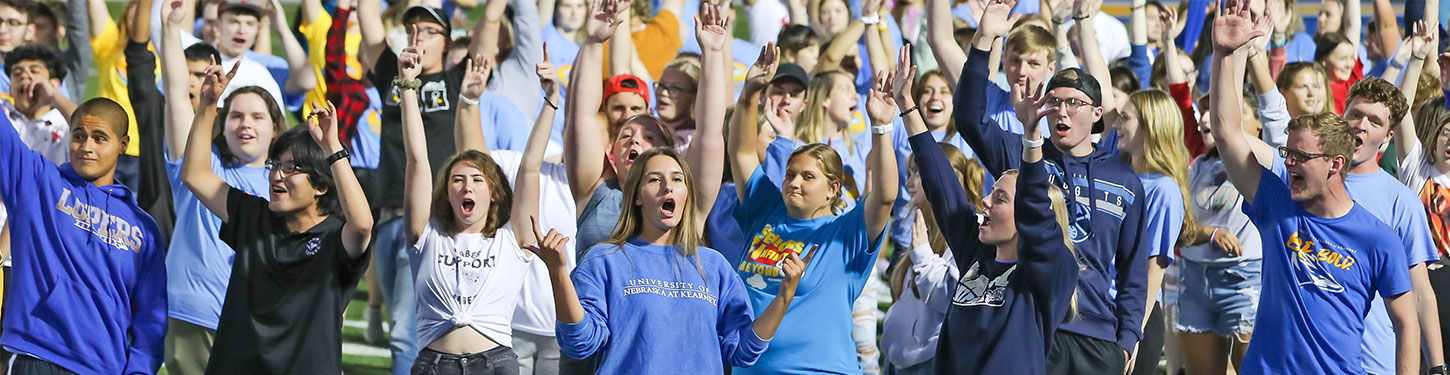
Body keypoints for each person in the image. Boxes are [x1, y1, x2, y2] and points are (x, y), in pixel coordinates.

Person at [1208, 2, 1420, 373]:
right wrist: (1225, 55)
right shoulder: (1276, 203)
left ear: (1336, 164)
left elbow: (1406, 322)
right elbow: (1227, 133)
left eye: (1300, 156)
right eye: (1287, 152)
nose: (1288, 162)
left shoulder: (1378, 238)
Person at [956, 0, 1149, 372]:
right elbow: (968, 119)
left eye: (1074, 103)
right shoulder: (1021, 155)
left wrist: (1127, 338)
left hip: (1097, 336)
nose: (1062, 111)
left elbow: (1133, 269)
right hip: (1030, 324)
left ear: (1096, 114)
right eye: (1054, 102)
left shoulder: (1125, 180)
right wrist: (983, 40)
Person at [533, 144, 804, 374]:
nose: (667, 187)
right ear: (637, 196)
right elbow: (580, 343)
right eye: (654, 179)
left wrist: (784, 296)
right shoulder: (604, 260)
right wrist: (558, 274)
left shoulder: (714, 265)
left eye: (677, 179)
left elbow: (743, 351)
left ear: (687, 193)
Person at [180, 61, 373, 374]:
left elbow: (363, 224)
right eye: (275, 165)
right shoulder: (254, 216)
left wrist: (332, 148)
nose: (277, 177)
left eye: (292, 168)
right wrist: (207, 105)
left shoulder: (335, 238)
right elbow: (195, 175)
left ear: (322, 185)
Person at [727, 38, 898, 375]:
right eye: (790, 173)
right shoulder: (766, 208)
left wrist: (881, 127)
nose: (794, 182)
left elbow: (885, 195)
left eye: (808, 177)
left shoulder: (845, 232)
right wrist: (749, 96)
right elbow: (743, 153)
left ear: (833, 188)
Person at [396, 27, 550, 373]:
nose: (467, 187)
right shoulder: (426, 234)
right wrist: (407, 85)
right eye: (457, 180)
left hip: (496, 365)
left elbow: (529, 168)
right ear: (446, 192)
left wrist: (550, 101)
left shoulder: (512, 240)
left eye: (478, 180)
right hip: (435, 365)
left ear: (493, 193)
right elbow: (416, 159)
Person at [358, 0, 498, 369]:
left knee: (405, 332)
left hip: (430, 221)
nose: (418, 35)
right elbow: (368, 19)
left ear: (448, 43)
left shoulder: (457, 80)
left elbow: (488, 30)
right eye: (412, 29)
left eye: (429, 30)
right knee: (404, 326)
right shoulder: (393, 72)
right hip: (387, 215)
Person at [160, 0, 285, 372]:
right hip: (194, 316)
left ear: (275, 127)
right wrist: (170, 30)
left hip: (257, 325)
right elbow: (177, 95)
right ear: (222, 122)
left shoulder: (289, 184)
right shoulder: (204, 166)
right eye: (236, 116)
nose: (246, 124)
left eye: (258, 116)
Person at [0, 96, 165, 375]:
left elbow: (151, 314)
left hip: (105, 367)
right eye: (79, 135)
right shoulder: (38, 183)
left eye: (100, 138)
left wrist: (139, 371)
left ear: (122, 145)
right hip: (36, 354)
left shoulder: (144, 228)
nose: (86, 146)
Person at [1175, 91, 1267, 375]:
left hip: (1243, 277)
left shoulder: (1265, 162)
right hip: (1193, 278)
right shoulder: (1197, 167)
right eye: (1211, 112)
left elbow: (1276, 115)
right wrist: (1208, 233)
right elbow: (1177, 230)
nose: (1215, 118)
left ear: (1259, 123)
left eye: (1232, 111)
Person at [2, 45, 72, 164]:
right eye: (17, 73)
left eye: (34, 71)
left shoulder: (65, 123)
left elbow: (88, 125)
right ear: (10, 89)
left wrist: (54, 96)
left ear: (54, 84)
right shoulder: (3, 114)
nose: (24, 76)